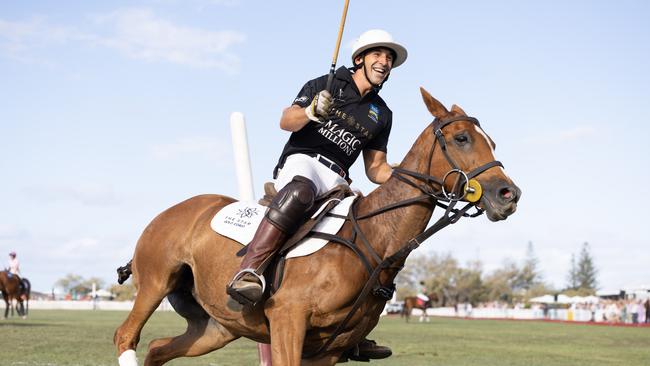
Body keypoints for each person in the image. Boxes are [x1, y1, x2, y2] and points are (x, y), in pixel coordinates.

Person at [226, 29, 407, 361]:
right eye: (378, 55)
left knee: (368, 230)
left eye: (389, 58)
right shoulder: (326, 84)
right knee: (299, 194)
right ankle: (249, 271)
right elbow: (286, 121)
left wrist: (407, 175)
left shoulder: (382, 113)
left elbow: (376, 169)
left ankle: (355, 327)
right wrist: (311, 111)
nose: (384, 62)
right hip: (303, 163)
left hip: (339, 178)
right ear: (360, 59)